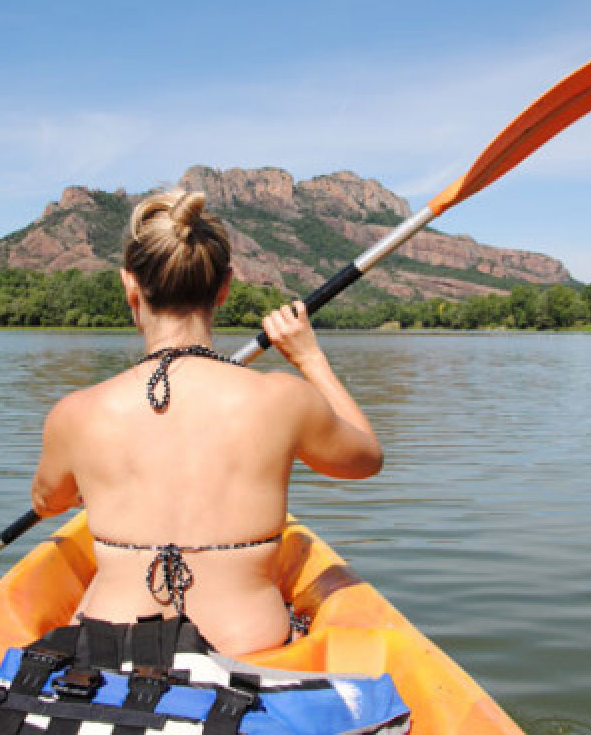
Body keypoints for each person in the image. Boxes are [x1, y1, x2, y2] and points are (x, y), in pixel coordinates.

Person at [30, 188, 383, 655]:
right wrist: (310, 358)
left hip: (106, 651)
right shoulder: (282, 398)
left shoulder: (76, 413)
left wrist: (91, 478)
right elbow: (366, 459)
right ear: (225, 287)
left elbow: (49, 502)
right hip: (249, 649)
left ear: (129, 285)